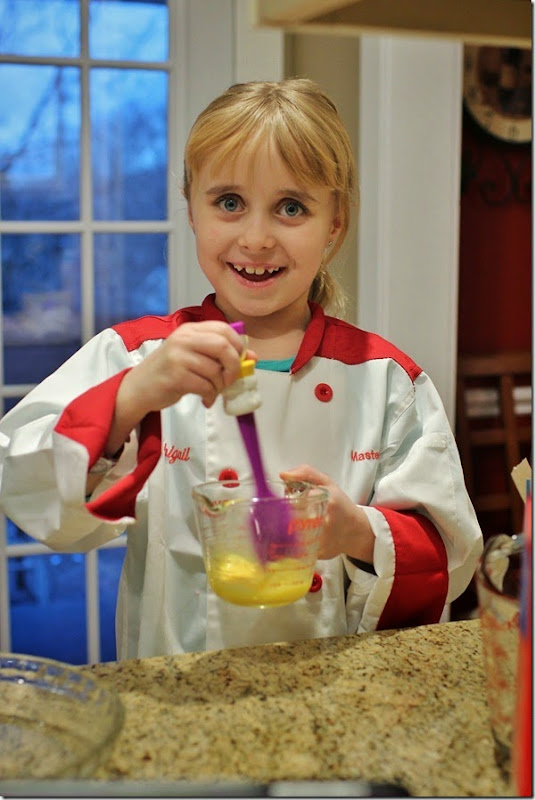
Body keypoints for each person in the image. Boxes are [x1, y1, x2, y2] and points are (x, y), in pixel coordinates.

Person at [0, 79, 483, 659]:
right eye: (229, 203)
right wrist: (130, 399)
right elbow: (24, 489)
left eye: (291, 208)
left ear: (335, 223)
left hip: (330, 690)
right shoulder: (135, 358)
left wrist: (354, 531)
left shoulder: (384, 380)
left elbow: (449, 556)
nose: (256, 239)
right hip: (176, 682)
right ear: (192, 210)